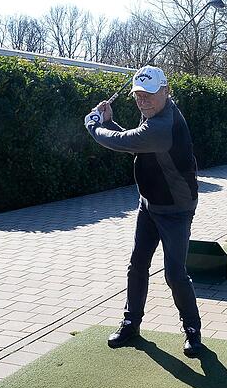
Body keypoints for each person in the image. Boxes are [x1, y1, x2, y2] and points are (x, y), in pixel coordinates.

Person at [84, 65, 203, 357]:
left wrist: (94, 125)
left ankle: (192, 329)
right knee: (137, 264)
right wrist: (108, 123)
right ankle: (130, 323)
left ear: (166, 91)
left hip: (176, 209)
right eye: (138, 96)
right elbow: (137, 142)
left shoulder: (165, 124)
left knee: (175, 274)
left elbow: (125, 142)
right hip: (149, 203)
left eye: (149, 95)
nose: (143, 101)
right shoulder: (153, 116)